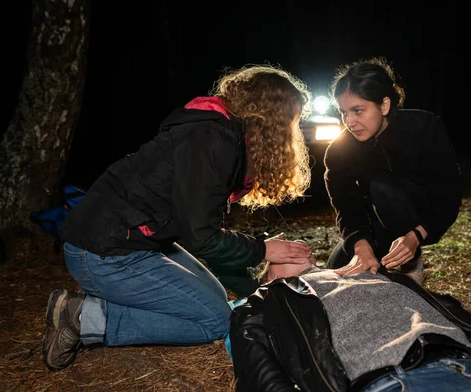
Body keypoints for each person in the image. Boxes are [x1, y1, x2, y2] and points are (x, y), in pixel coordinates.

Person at [40, 64, 315, 371]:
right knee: (215, 320)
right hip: (102, 253)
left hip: (132, 240)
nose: (293, 132)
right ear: (272, 119)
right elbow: (202, 238)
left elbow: (201, 231)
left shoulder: (221, 135)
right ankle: (81, 316)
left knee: (218, 300)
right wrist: (262, 250)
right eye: (292, 121)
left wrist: (256, 285)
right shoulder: (212, 141)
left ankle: (111, 300)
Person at [229, 261, 471, 391]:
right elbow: (251, 346)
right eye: (282, 249)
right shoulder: (275, 295)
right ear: (270, 275)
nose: (293, 244)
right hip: (399, 377)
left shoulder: (371, 270)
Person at [323, 57, 462, 284]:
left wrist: (417, 235)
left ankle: (410, 263)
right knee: (335, 273)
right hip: (373, 227)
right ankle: (376, 255)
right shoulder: (339, 150)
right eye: (344, 112)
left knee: (383, 186)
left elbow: (449, 195)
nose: (350, 121)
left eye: (358, 110)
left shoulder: (425, 128)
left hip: (416, 218)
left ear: (384, 105)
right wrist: (360, 245)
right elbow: (346, 206)